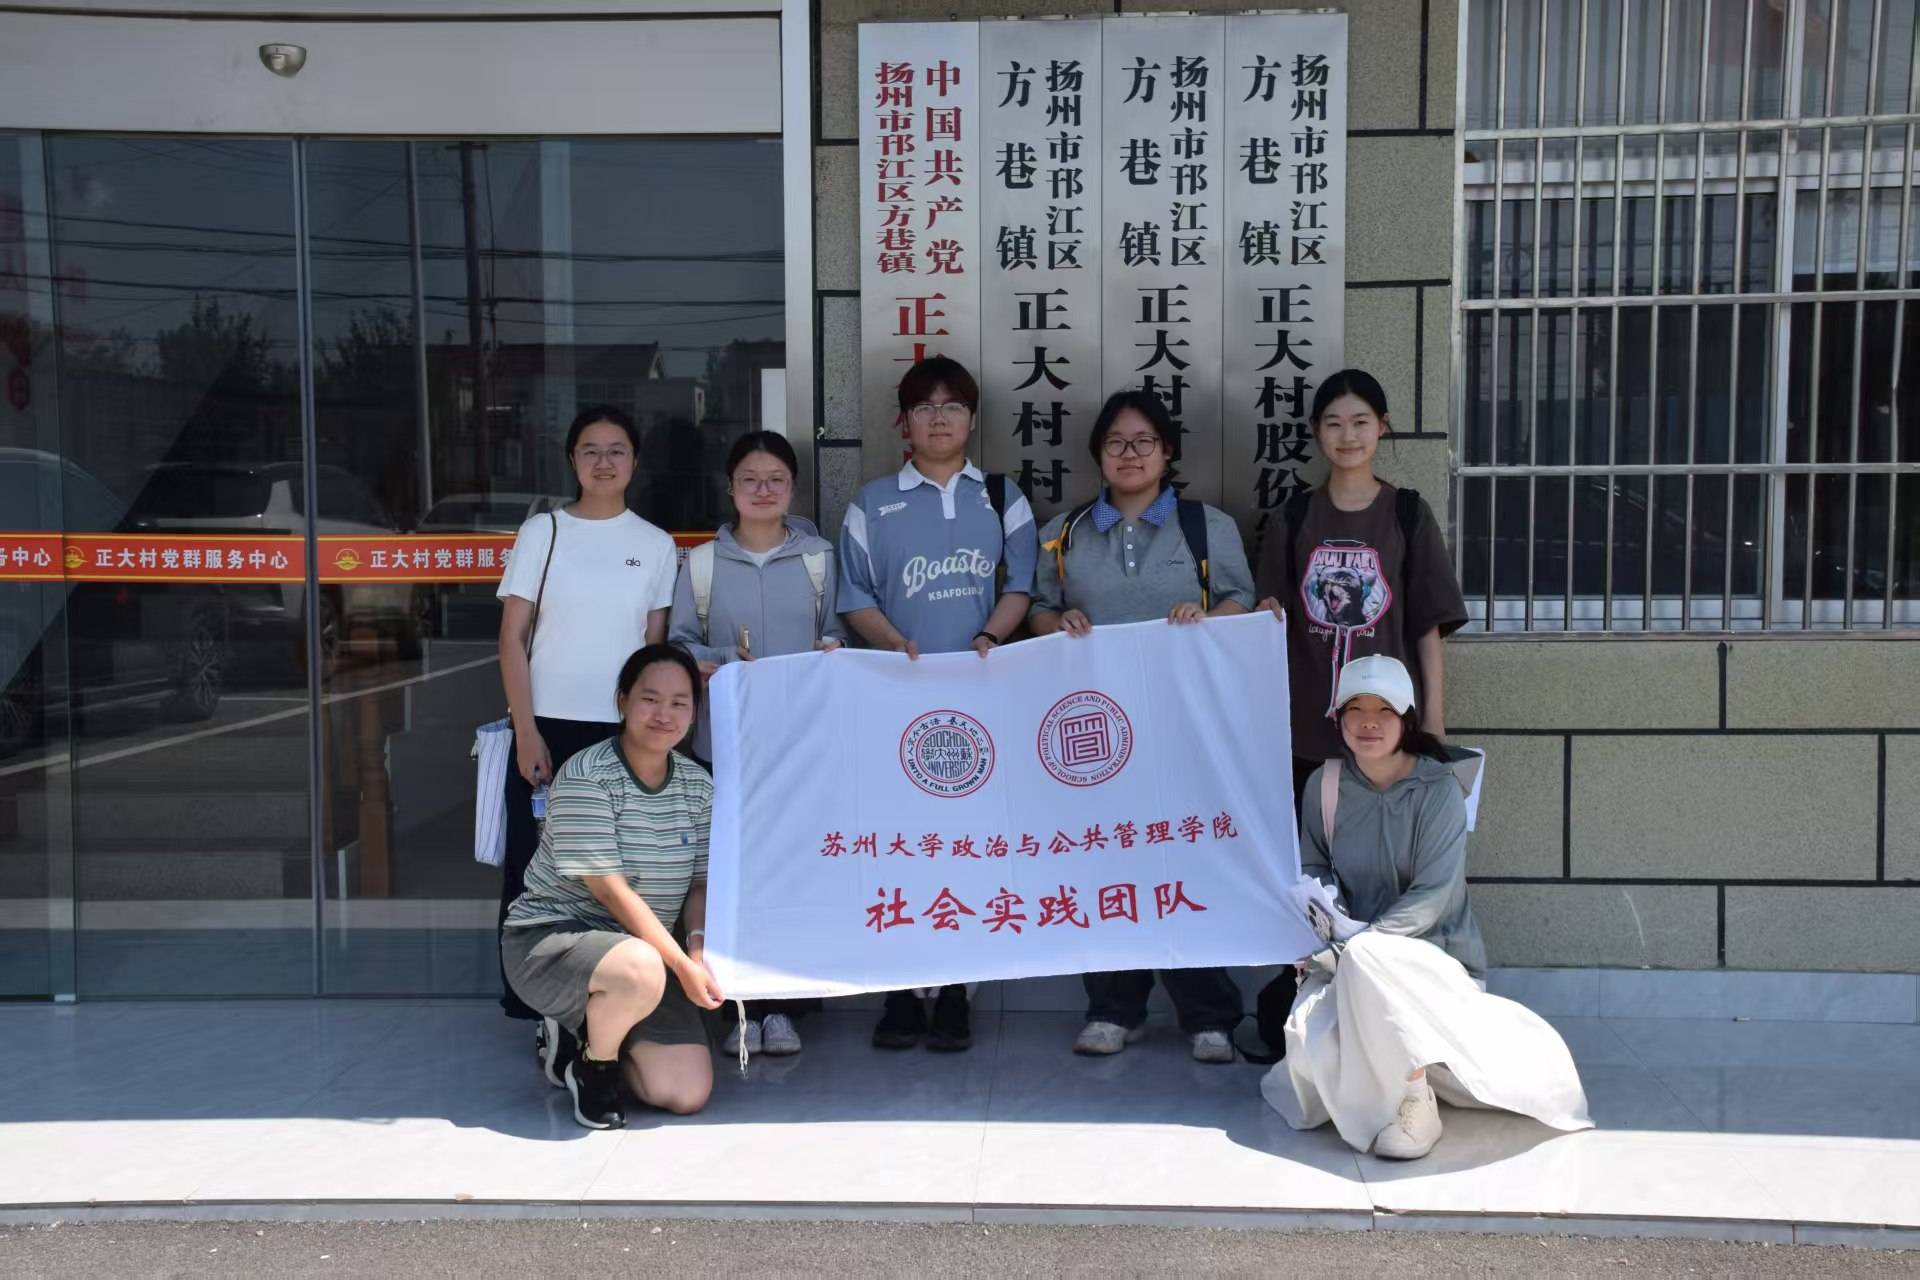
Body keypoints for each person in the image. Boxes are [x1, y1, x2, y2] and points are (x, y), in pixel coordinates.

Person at [1260, 655, 1591, 1159]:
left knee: (1370, 965)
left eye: (1384, 711)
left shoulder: (1438, 789)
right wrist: (1330, 924)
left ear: (1407, 720)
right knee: (1311, 1053)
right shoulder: (1323, 785)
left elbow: (1433, 895)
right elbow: (1315, 864)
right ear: (1338, 718)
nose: (1368, 723)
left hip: (1430, 955)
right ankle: (1396, 1090)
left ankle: (1415, 1100)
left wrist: (1355, 947)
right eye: (1355, 710)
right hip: (1347, 954)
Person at [1028, 389, 1256, 1064]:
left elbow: (1240, 599)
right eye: (1115, 443)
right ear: (1098, 455)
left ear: (1167, 451)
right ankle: (1112, 1008)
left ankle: (1208, 1015)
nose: (1129, 455)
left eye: (1143, 442)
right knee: (1106, 860)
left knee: (1187, 861)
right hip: (1095, 734)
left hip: (1186, 727)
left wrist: (1206, 619)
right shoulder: (1064, 531)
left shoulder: (1205, 526)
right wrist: (1058, 623)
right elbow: (1038, 608)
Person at [837, 354, 1039, 1053]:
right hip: (896, 701)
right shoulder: (871, 504)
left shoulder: (1003, 497)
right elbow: (854, 596)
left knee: (970, 847)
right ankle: (899, 988)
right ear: (905, 422)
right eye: (924, 406)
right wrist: (897, 645)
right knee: (900, 844)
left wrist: (989, 637)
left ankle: (957, 989)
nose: (939, 417)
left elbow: (1022, 586)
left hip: (985, 703)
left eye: (952, 405)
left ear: (972, 418)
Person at [495, 406, 677, 1049]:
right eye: (591, 450)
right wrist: (525, 731)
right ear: (572, 460)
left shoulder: (655, 545)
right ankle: (541, 1013)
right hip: (547, 729)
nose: (604, 462)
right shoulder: (542, 532)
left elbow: (653, 653)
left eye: (617, 449)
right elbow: (512, 639)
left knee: (619, 875)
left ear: (634, 461)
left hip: (622, 735)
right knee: (537, 872)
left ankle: (611, 1003)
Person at [668, 430, 843, 1058]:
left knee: (792, 873)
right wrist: (722, 658)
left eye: (775, 480)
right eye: (750, 479)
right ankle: (739, 1005)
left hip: (800, 746)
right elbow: (678, 644)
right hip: (725, 746)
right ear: (731, 487)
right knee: (730, 875)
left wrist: (833, 649)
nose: (762, 490)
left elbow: (841, 630)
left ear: (793, 487)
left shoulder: (820, 559)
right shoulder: (703, 564)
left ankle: (785, 1007)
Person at [501, 644, 724, 1131]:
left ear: (694, 713)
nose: (663, 714)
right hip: (554, 939)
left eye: (679, 703)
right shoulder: (586, 775)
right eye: (650, 699)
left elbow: (700, 884)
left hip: (648, 954)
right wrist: (680, 967)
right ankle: (594, 1068)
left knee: (684, 1093)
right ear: (622, 701)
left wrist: (696, 948)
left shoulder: (699, 786)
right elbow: (610, 891)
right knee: (639, 966)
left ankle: (586, 1027)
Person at [1254, 370, 1468, 810]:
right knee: (1310, 841)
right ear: (1316, 430)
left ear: (1382, 426)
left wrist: (1433, 719)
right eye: (1333, 423)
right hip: (1304, 726)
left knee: (1383, 840)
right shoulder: (1293, 517)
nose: (1347, 436)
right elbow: (1267, 618)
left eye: (1360, 422)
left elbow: (1427, 627)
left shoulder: (1407, 513)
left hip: (1387, 724)